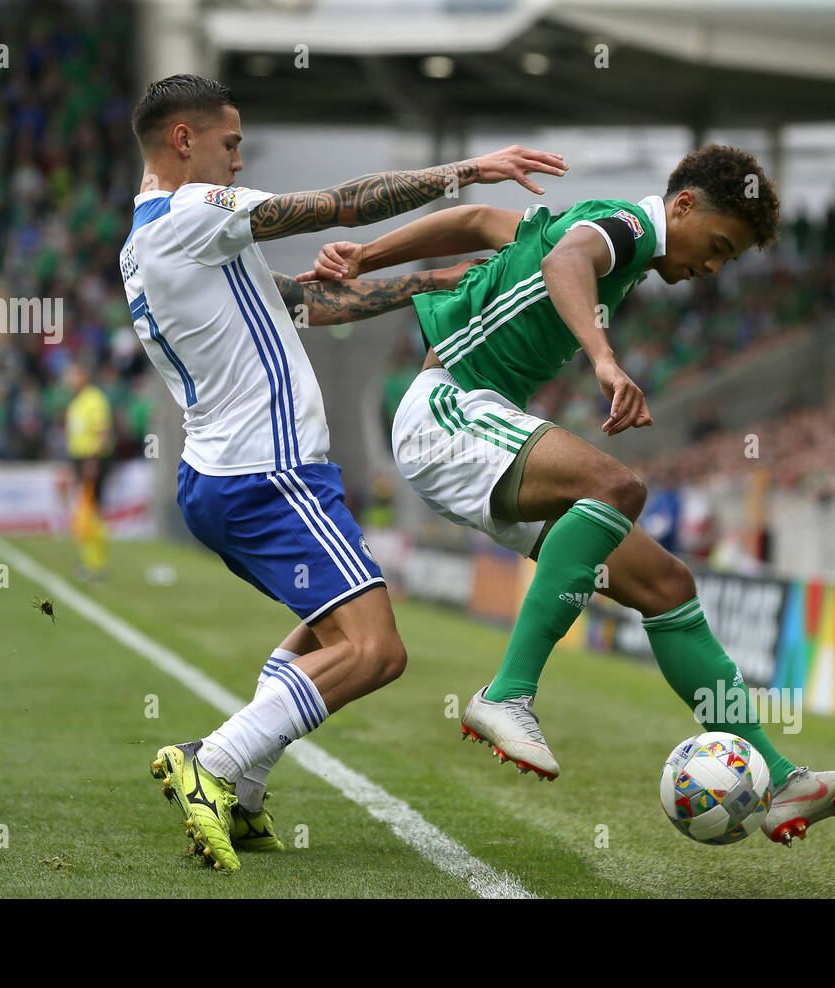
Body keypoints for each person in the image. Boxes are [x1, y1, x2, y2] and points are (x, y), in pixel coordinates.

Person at [302, 144, 835, 846]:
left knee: (668, 584)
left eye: (730, 262)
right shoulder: (624, 228)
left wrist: (368, 255)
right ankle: (507, 693)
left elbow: (480, 219)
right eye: (719, 246)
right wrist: (605, 360)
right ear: (684, 207)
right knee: (615, 484)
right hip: (446, 411)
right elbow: (563, 264)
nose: (713, 268)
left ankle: (780, 778)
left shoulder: (598, 231)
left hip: (467, 427)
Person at [122, 73, 567, 870]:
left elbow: (306, 303)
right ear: (182, 141)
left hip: (229, 477)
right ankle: (215, 763)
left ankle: (246, 790)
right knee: (377, 652)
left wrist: (440, 281)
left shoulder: (153, 240)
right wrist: (469, 171)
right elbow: (342, 205)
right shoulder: (192, 213)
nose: (238, 161)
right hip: (268, 472)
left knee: (330, 634)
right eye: (230, 145)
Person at [64, 360, 113, 580]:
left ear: (84, 375)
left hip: (91, 461)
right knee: (85, 512)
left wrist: (92, 462)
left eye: (73, 374)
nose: (69, 379)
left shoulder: (94, 400)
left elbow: (101, 432)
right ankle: (89, 562)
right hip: (79, 461)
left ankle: (96, 564)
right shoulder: (77, 401)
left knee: (90, 513)